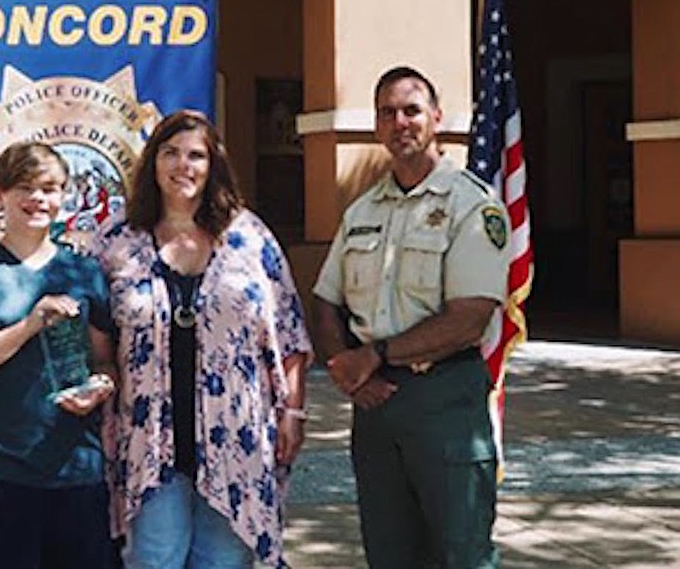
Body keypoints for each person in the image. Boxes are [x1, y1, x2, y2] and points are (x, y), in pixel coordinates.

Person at [90, 109, 313, 569]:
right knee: (155, 559)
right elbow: (98, 335)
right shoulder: (116, 240)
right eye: (170, 153)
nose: (182, 166)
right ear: (152, 162)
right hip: (150, 441)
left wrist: (292, 411)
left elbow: (288, 332)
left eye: (196, 155)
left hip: (237, 439)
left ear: (213, 166)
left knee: (223, 561)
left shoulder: (249, 237)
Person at [311, 66, 509, 568]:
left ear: (436, 118)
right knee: (390, 553)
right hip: (375, 409)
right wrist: (346, 369)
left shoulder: (472, 204)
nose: (400, 122)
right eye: (387, 112)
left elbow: (469, 318)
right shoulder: (361, 211)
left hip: (443, 401)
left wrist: (373, 356)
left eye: (411, 110)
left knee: (460, 553)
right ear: (377, 126)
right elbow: (326, 301)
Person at [0, 141, 117, 569]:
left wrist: (101, 386)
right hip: (7, 469)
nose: (38, 199)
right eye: (25, 187)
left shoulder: (84, 270)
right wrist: (28, 325)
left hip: (80, 468)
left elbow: (106, 361)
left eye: (50, 189)